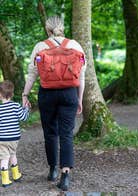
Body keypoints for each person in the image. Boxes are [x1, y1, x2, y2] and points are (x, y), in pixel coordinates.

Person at [22, 16, 86, 191]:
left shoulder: (40, 46)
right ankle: (65, 174)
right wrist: (79, 99)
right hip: (69, 94)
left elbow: (32, 74)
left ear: (47, 29)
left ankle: (52, 170)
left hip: (47, 94)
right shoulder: (75, 46)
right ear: (62, 28)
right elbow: (81, 76)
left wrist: (25, 94)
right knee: (66, 134)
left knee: (50, 132)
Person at [0, 80, 29, 187]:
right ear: (11, 94)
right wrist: (26, 108)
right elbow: (24, 117)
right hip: (14, 138)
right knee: (12, 154)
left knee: (4, 157)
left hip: (2, 139)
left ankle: (6, 179)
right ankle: (16, 175)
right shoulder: (16, 106)